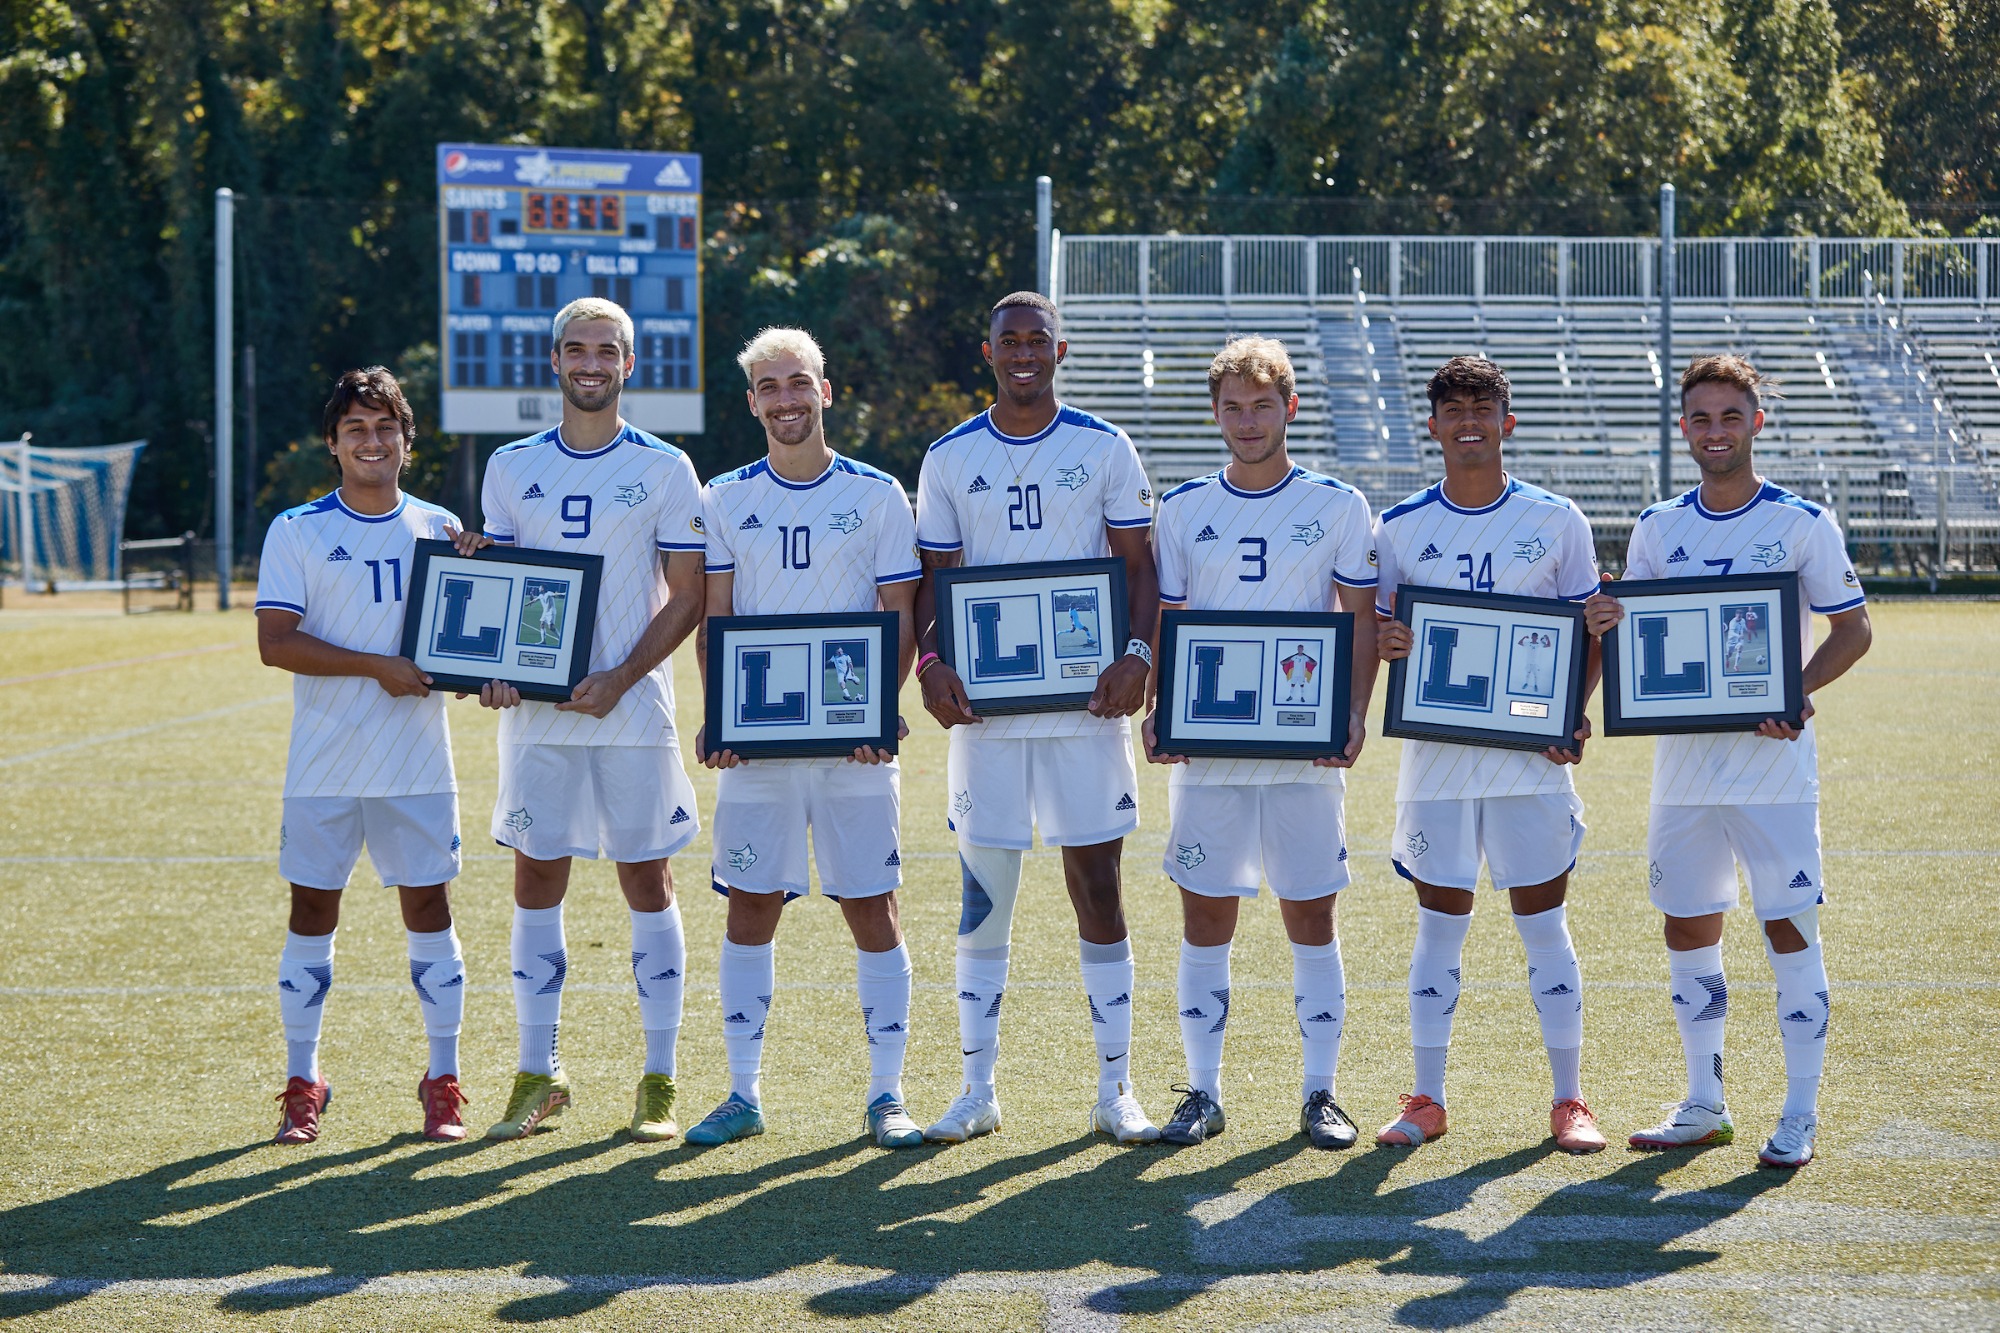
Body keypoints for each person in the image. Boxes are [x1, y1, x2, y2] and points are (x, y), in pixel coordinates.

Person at [1588, 354, 1871, 1169]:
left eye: (1731, 416)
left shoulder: (1801, 522)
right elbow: (1640, 631)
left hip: (1773, 769)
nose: (1716, 432)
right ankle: (1705, 1102)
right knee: (1687, 927)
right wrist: (1608, 615)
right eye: (1702, 418)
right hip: (1683, 773)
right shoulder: (1658, 526)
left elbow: (1854, 629)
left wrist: (1796, 690)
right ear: (1684, 428)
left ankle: (1800, 1111)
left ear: (1757, 423)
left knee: (1788, 926)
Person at [451, 297, 707, 1143]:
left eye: (607, 351)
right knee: (535, 878)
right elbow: (505, 590)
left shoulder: (667, 466)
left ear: (629, 364)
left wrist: (622, 676)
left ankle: (660, 1078)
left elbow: (689, 595)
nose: (591, 363)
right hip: (540, 716)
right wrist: (491, 667)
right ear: (554, 360)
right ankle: (539, 1070)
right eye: (577, 349)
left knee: (647, 879)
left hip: (633, 708)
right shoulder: (510, 465)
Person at [914, 291, 1163, 1144]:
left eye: (1037, 340)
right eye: (1008, 340)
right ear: (987, 352)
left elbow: (1140, 565)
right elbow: (933, 581)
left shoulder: (1103, 445)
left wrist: (1138, 652)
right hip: (988, 716)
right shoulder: (950, 455)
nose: (1023, 352)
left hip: (1085, 707)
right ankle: (976, 1088)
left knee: (1098, 888)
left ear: (1061, 350)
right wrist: (931, 663)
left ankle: (1115, 1089)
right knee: (983, 897)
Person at [687, 327, 925, 1149]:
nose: (785, 399)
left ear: (825, 391)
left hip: (853, 744)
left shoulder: (878, 493)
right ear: (752, 401)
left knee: (871, 904)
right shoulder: (722, 497)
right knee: (751, 903)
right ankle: (742, 1092)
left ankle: (887, 1093)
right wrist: (721, 716)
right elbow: (716, 621)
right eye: (769, 386)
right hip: (759, 745)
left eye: (798, 383)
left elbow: (901, 615)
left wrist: (879, 709)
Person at [1144, 337, 1380, 1149]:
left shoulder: (1338, 503)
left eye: (1263, 405)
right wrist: (1161, 708)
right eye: (1233, 408)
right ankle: (1203, 1091)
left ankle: (1320, 1091)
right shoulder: (1183, 507)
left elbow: (1359, 621)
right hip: (1210, 747)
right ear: (1215, 414)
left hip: (1302, 748)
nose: (1249, 421)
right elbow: (1170, 621)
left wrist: (1354, 711)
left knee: (1310, 913)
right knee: (1206, 916)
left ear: (1291, 407)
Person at [1372, 356, 1608, 1154]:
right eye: (1454, 409)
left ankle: (1570, 1098)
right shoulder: (1399, 526)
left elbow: (1588, 630)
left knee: (1544, 925)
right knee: (1439, 929)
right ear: (1433, 426)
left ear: (1507, 421)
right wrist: (1386, 638)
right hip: (1438, 759)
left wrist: (1571, 712)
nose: (1468, 420)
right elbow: (1375, 629)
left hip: (1527, 758)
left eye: (1483, 407)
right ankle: (1427, 1097)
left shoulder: (1557, 519)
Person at [254, 367, 471, 1143]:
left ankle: (442, 1077)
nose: (371, 441)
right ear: (333, 442)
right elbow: (275, 642)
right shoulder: (296, 528)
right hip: (324, 760)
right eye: (356, 429)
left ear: (407, 440)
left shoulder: (443, 528)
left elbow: (473, 636)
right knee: (312, 910)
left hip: (417, 760)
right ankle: (303, 1077)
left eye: (385, 428)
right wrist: (376, 665)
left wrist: (490, 655)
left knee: (430, 909)